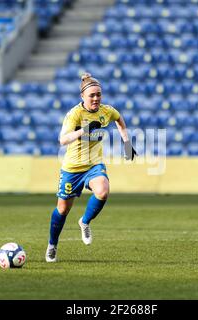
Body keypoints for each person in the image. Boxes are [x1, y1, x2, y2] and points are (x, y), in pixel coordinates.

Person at [45, 73, 137, 262]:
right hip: (72, 168)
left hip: (94, 164)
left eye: (98, 95)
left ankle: (84, 221)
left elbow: (120, 120)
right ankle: (52, 245)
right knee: (62, 210)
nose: (96, 98)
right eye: (92, 95)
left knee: (103, 191)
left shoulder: (107, 111)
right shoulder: (74, 114)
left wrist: (127, 143)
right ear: (82, 97)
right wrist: (84, 130)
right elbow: (62, 140)